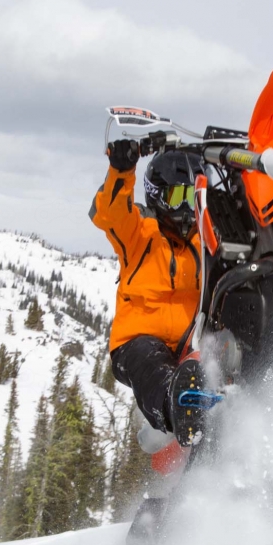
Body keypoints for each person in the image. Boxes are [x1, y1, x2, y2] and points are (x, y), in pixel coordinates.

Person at [90, 138, 210, 446]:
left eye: (191, 197)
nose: (185, 208)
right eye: (177, 196)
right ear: (157, 195)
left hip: (190, 345)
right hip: (136, 343)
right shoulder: (138, 231)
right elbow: (110, 213)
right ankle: (176, 405)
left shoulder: (205, 239)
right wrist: (121, 169)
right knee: (150, 362)